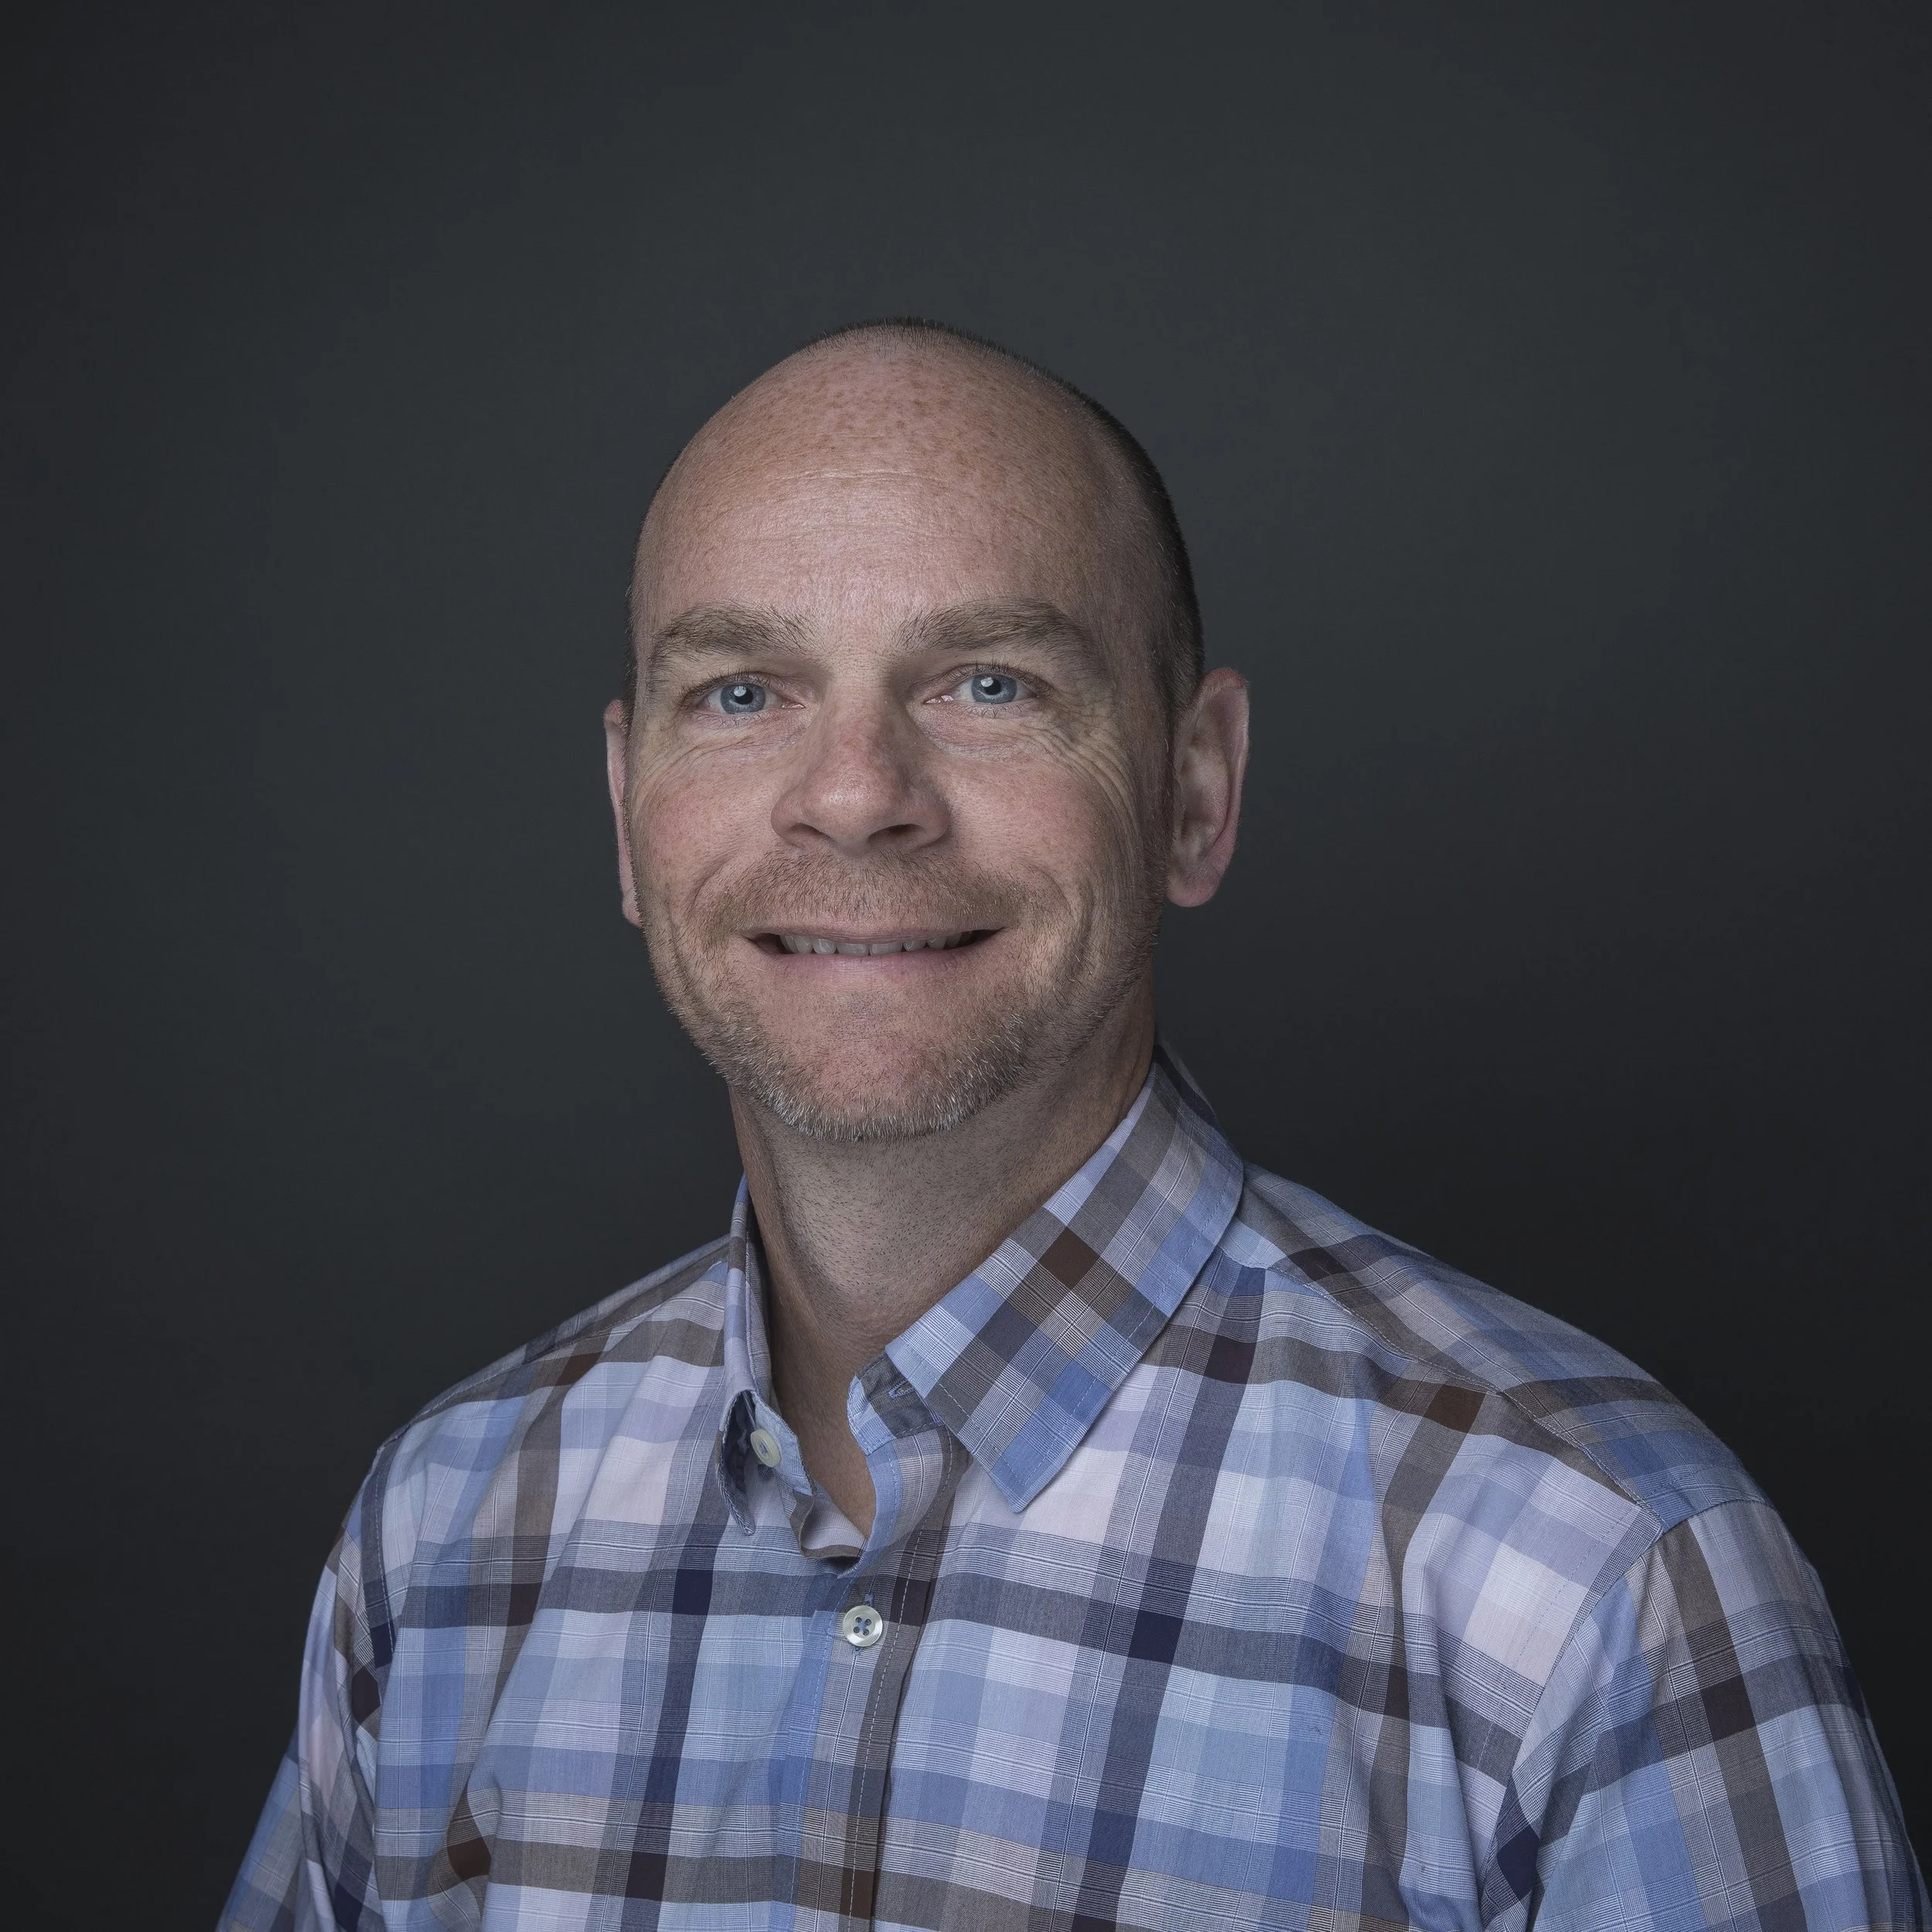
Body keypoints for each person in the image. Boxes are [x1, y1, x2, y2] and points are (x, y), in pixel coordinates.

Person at [224, 320, 1923, 1932]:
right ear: (626, 813)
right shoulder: (445, 1534)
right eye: (741, 692)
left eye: (988, 682)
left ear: (1195, 789)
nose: (853, 793)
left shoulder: (1594, 1577)